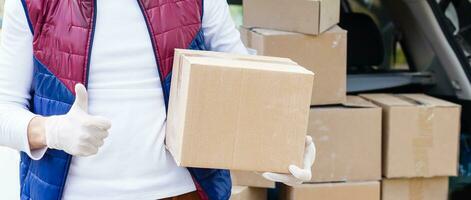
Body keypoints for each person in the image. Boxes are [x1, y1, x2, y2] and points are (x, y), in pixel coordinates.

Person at [0, 0, 316, 199]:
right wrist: (52, 131)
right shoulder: (31, 4)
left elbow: (249, 89)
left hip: (184, 192)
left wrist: (281, 148)